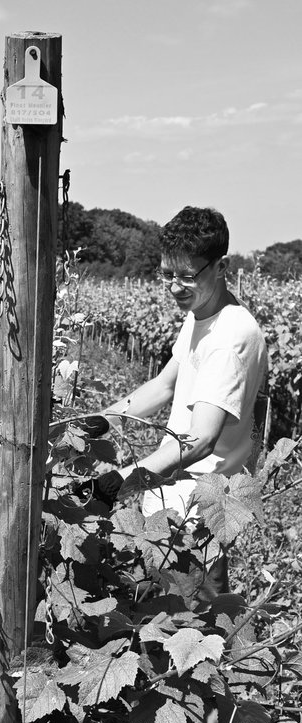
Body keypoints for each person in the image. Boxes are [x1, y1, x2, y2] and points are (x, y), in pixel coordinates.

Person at [85, 206, 268, 595]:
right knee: (154, 627)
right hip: (169, 507)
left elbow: (201, 439)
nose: (173, 286)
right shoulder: (203, 313)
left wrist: (115, 484)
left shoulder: (228, 340)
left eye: (187, 276)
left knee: (193, 633)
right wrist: (97, 422)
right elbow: (165, 385)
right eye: (167, 273)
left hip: (195, 521)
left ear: (221, 266)